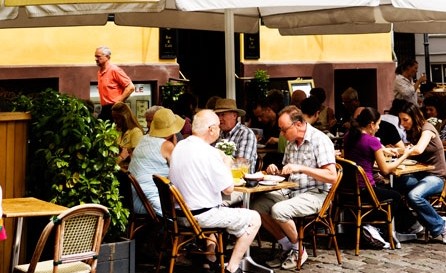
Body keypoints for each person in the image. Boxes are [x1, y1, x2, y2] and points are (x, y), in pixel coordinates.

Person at [169, 109, 261, 273]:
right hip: (201, 216)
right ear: (211, 129)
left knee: (219, 204)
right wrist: (225, 161)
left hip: (179, 215)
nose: (219, 130)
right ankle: (232, 268)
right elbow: (229, 188)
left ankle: (211, 256)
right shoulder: (209, 153)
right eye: (217, 126)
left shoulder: (180, 146)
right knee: (254, 218)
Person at [251, 105, 337, 269]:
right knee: (257, 207)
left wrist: (302, 168)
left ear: (298, 124)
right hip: (293, 190)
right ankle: (288, 246)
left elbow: (332, 176)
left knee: (279, 210)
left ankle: (299, 250)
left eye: (284, 130)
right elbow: (288, 174)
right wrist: (275, 171)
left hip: (316, 193)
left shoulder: (320, 140)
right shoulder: (291, 143)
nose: (282, 134)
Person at [344, 107, 420, 236]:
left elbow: (360, 153)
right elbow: (385, 170)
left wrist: (383, 150)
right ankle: (398, 229)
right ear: (371, 124)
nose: (379, 127)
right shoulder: (372, 141)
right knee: (395, 195)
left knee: (387, 189)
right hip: (366, 189)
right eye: (378, 124)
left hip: (349, 189)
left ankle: (404, 226)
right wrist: (404, 155)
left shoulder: (349, 136)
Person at [395, 102, 446, 243]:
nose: (402, 123)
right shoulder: (413, 131)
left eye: (405, 119)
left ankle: (441, 226)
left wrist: (403, 152)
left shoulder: (427, 128)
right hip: (421, 174)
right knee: (394, 189)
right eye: (400, 120)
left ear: (415, 117)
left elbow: (418, 149)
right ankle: (411, 224)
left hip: (437, 176)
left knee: (414, 195)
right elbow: (410, 148)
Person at [128, 108, 185, 217]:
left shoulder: (143, 139)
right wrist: (174, 146)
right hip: (153, 203)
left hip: (135, 198)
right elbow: (180, 172)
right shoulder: (166, 145)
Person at [214, 98, 257, 173]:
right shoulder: (217, 134)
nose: (219, 118)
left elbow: (241, 164)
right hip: (220, 180)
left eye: (223, 115)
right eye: (217, 115)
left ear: (234, 115)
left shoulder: (246, 133)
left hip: (242, 181)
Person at [95, 46, 135, 122]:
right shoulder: (99, 72)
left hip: (114, 108)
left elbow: (130, 87)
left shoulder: (114, 70)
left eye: (98, 56)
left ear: (107, 57)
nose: (96, 59)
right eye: (95, 56)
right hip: (105, 108)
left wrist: (118, 102)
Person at [111, 102, 144, 168]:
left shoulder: (136, 132)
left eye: (117, 118)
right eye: (114, 118)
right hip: (118, 169)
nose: (115, 121)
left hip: (129, 173)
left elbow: (138, 159)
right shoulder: (117, 131)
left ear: (125, 117)